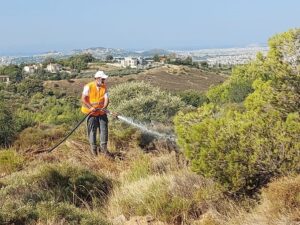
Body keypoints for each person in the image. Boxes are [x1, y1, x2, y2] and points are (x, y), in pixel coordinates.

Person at [81, 70, 112, 156]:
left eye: (104, 79)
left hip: (101, 112)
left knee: (104, 130)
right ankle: (94, 152)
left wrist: (104, 107)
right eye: (102, 79)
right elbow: (83, 99)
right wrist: (90, 107)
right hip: (90, 113)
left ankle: (104, 150)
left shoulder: (104, 87)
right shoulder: (88, 86)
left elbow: (106, 99)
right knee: (92, 132)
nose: (103, 81)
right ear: (97, 78)